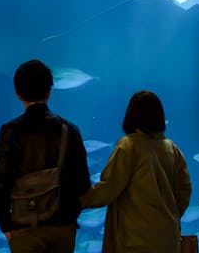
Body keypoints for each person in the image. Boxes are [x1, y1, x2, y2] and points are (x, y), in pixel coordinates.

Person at [0, 59, 92, 253]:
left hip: (24, 228)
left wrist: (6, 226)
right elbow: (83, 184)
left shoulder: (9, 131)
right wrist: (70, 218)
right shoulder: (69, 130)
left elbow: (1, 182)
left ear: (18, 94)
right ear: (49, 91)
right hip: (62, 228)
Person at [79, 90, 192, 253]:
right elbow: (185, 191)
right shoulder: (172, 149)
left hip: (134, 240)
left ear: (131, 115)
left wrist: (78, 201)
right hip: (168, 239)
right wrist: (169, 217)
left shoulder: (128, 146)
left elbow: (108, 189)